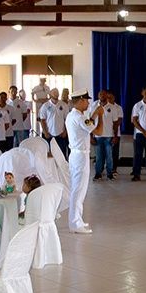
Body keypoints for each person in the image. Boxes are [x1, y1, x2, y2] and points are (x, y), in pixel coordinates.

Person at [65, 87, 105, 233]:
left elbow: (87, 124)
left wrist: (94, 115)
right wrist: (100, 116)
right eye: (86, 100)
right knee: (78, 189)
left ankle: (78, 219)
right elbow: (98, 131)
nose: (88, 103)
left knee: (79, 188)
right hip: (80, 156)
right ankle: (75, 223)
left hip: (77, 155)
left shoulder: (73, 116)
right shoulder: (79, 117)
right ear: (80, 100)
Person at [90, 90, 116, 181]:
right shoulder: (93, 106)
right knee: (98, 157)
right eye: (100, 94)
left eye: (104, 94)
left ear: (106, 96)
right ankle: (98, 174)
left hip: (109, 135)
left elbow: (115, 123)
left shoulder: (112, 107)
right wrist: (91, 136)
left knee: (109, 156)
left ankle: (110, 174)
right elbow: (90, 121)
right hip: (97, 136)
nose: (102, 95)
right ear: (98, 96)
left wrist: (115, 136)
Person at [38, 88, 69, 158]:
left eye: (57, 92)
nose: (56, 94)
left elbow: (67, 120)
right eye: (54, 92)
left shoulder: (64, 105)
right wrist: (45, 132)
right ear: (50, 94)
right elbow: (42, 120)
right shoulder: (45, 106)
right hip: (49, 135)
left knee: (62, 155)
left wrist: (65, 131)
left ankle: (62, 169)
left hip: (61, 135)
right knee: (49, 156)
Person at [109, 92, 124, 174]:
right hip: (104, 134)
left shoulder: (118, 107)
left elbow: (119, 120)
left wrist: (112, 127)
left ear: (114, 98)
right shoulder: (101, 107)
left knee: (115, 152)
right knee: (105, 153)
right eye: (108, 97)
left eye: (111, 97)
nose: (109, 99)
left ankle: (114, 168)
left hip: (115, 133)